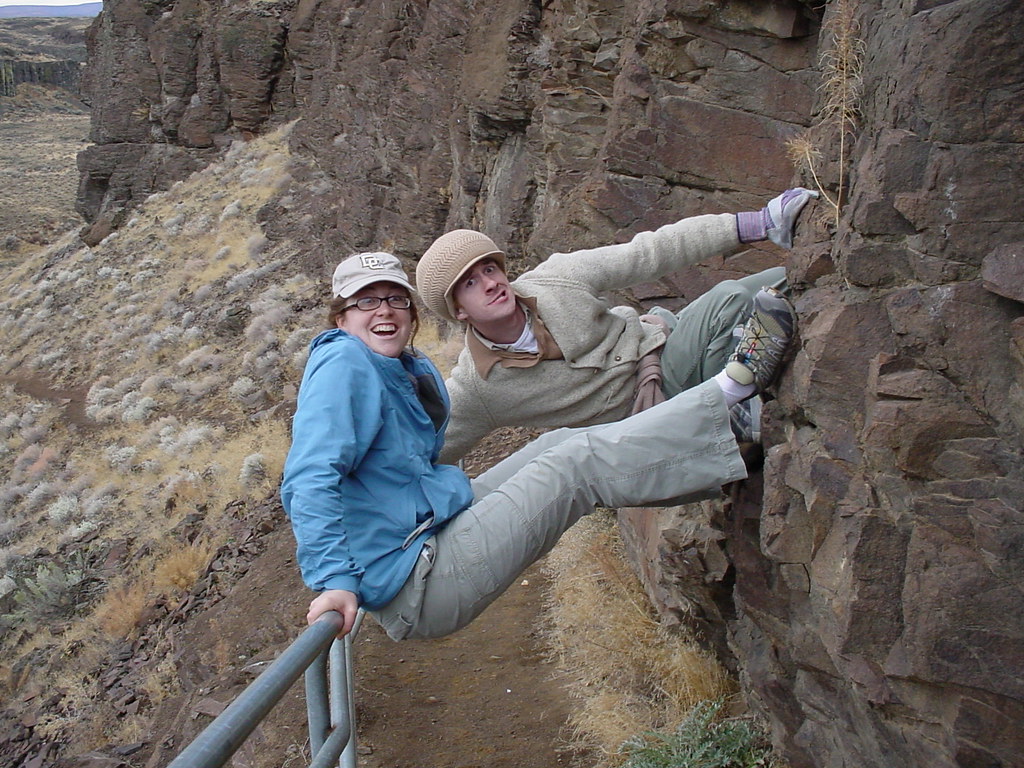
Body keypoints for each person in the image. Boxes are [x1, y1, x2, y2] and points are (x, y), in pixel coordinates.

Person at [281, 250, 796, 640]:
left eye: (395, 298)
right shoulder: (342, 360)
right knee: (574, 465)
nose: (384, 310)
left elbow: (416, 458)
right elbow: (308, 476)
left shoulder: (399, 369)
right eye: (365, 301)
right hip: (416, 582)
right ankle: (730, 399)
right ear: (340, 316)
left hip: (430, 529)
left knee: (562, 442)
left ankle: (714, 436)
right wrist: (334, 580)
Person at [415, 188, 818, 463]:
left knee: (781, 281)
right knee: (729, 299)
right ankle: (732, 397)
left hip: (661, 348)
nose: (490, 283)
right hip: (646, 414)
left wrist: (759, 222)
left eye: (489, 268)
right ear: (459, 311)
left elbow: (649, 252)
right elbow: (423, 448)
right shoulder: (478, 388)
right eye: (470, 283)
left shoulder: (556, 278)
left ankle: (734, 396)